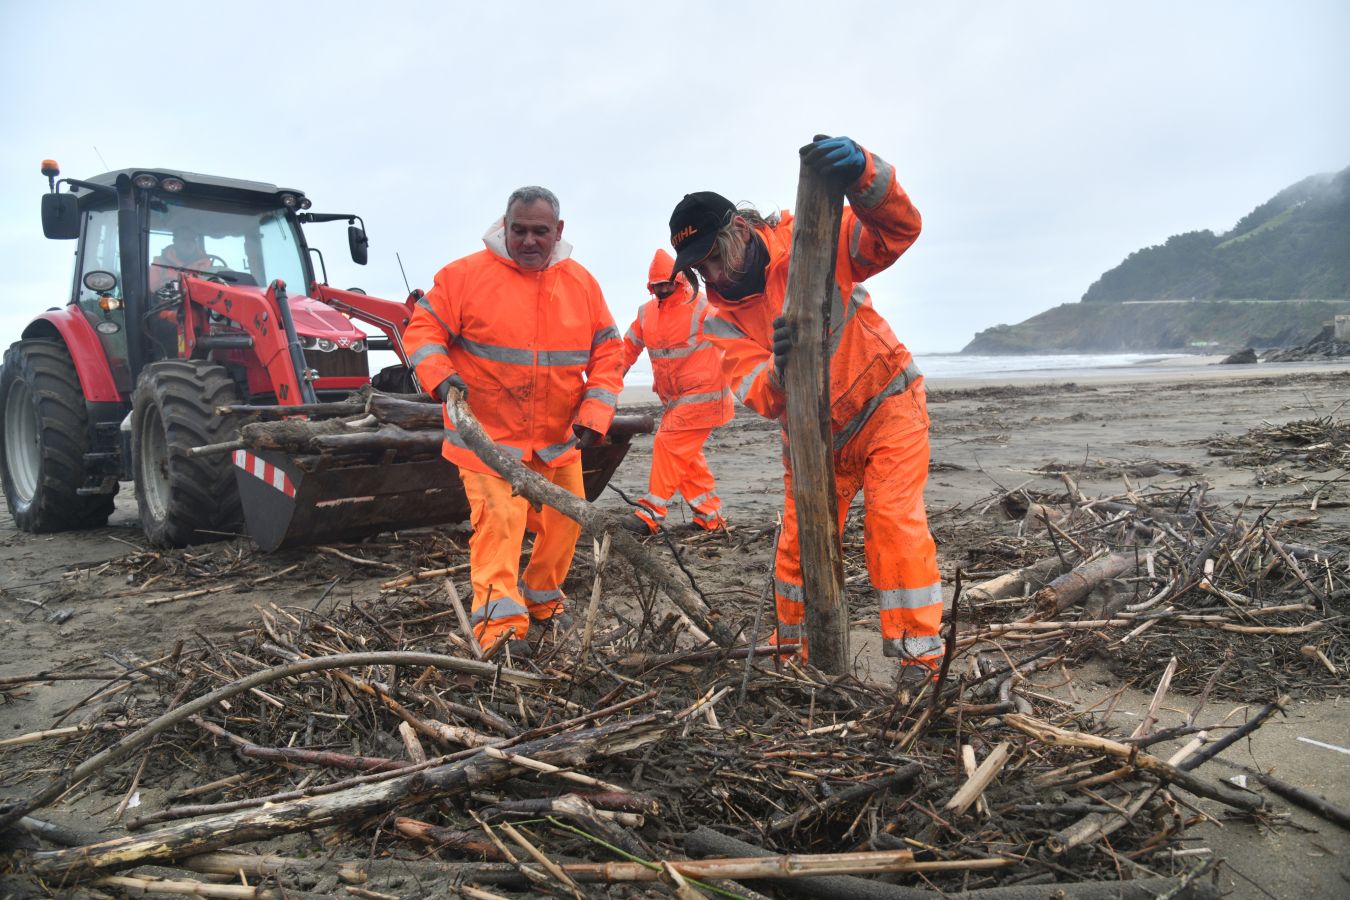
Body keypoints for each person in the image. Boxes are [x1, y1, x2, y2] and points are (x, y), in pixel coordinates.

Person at [667, 135, 943, 679]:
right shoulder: (716, 318)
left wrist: (866, 175)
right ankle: (790, 654)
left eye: (714, 259)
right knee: (798, 547)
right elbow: (760, 393)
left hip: (887, 401)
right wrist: (779, 368)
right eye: (698, 269)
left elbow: (898, 231)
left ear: (740, 230)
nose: (712, 278)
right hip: (812, 432)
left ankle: (918, 661)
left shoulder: (812, 236)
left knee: (893, 524)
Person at [403, 186, 624, 656]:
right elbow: (422, 330)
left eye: (539, 232)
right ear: (504, 227)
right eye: (518, 230)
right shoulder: (464, 276)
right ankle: (498, 632)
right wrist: (442, 379)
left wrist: (596, 411)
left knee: (567, 520)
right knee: (501, 522)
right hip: (486, 442)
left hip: (554, 440)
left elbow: (609, 349)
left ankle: (543, 604)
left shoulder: (581, 284)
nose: (528, 241)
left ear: (557, 232)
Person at [618, 249, 734, 535]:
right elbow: (627, 350)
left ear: (680, 280)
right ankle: (711, 516)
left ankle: (651, 513)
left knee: (668, 443)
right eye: (656, 285)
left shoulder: (701, 306)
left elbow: (737, 337)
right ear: (650, 285)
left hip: (705, 397)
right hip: (676, 400)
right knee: (686, 459)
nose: (662, 289)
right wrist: (606, 382)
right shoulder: (646, 314)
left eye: (667, 283)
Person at [150, 226, 212, 291]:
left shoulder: (205, 263)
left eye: (192, 239)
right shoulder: (159, 263)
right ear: (175, 241)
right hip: (170, 300)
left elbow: (212, 286)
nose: (189, 243)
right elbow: (153, 288)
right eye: (185, 239)